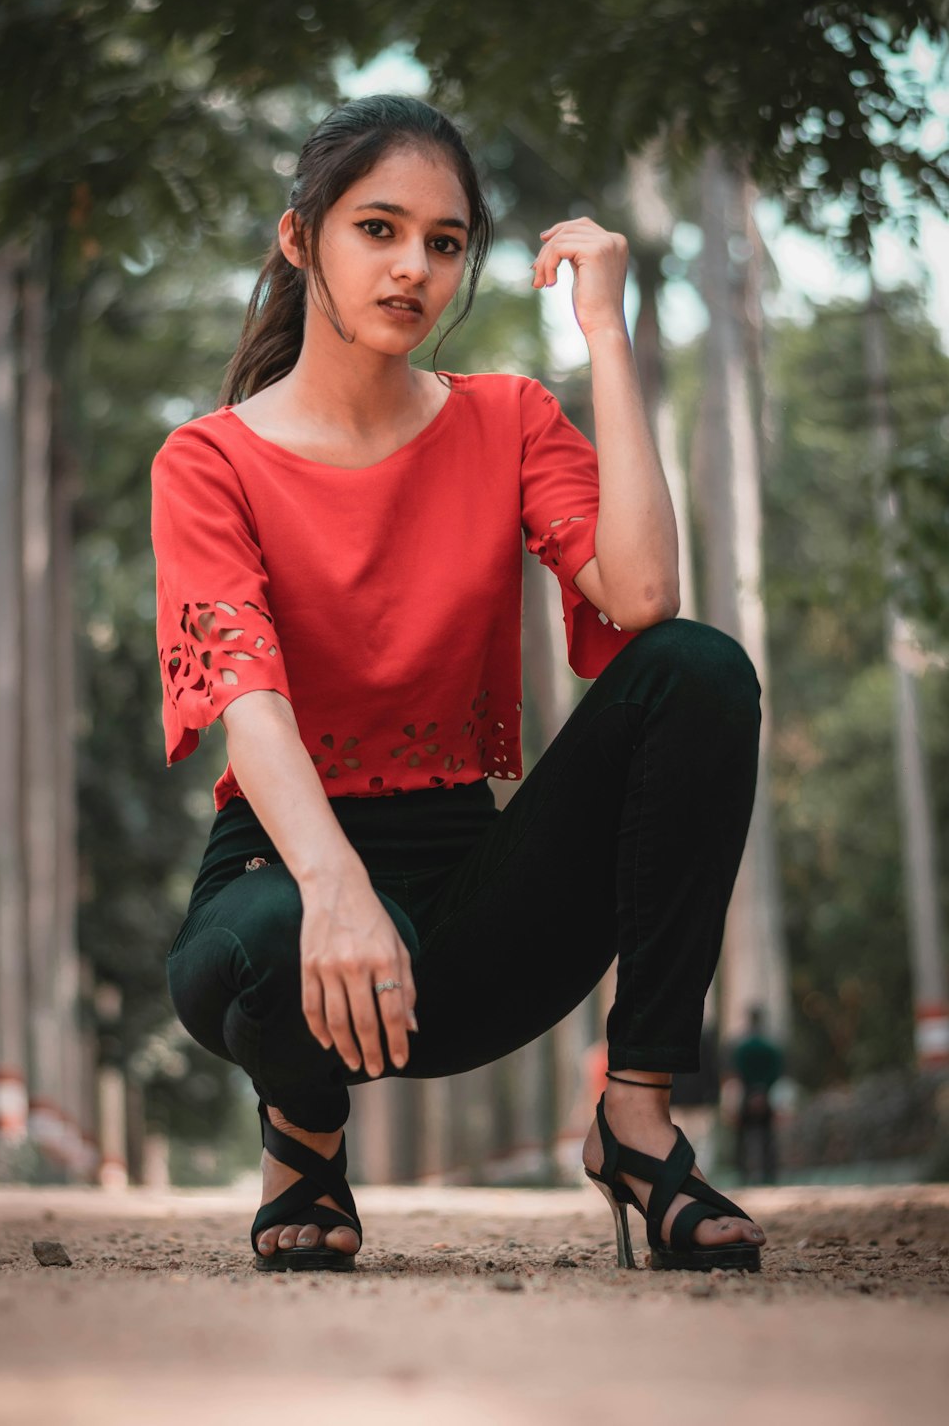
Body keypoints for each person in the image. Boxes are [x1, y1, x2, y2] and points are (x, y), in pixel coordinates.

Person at [150, 93, 768, 1275]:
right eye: (377, 229)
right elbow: (248, 695)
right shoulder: (208, 460)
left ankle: (635, 1119)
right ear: (300, 240)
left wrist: (607, 331)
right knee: (276, 934)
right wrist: (332, 882)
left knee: (697, 670)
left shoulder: (507, 418)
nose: (412, 268)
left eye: (444, 242)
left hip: (466, 915)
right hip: (278, 884)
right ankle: (305, 1137)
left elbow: (640, 600)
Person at [731, 1005, 785, 1184]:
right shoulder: (771, 1047)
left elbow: (737, 1072)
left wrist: (751, 1090)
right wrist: (763, 1089)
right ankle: (769, 1174)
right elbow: (777, 1071)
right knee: (767, 1137)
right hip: (767, 1095)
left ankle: (743, 1174)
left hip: (747, 1095)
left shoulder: (741, 1047)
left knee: (742, 1138)